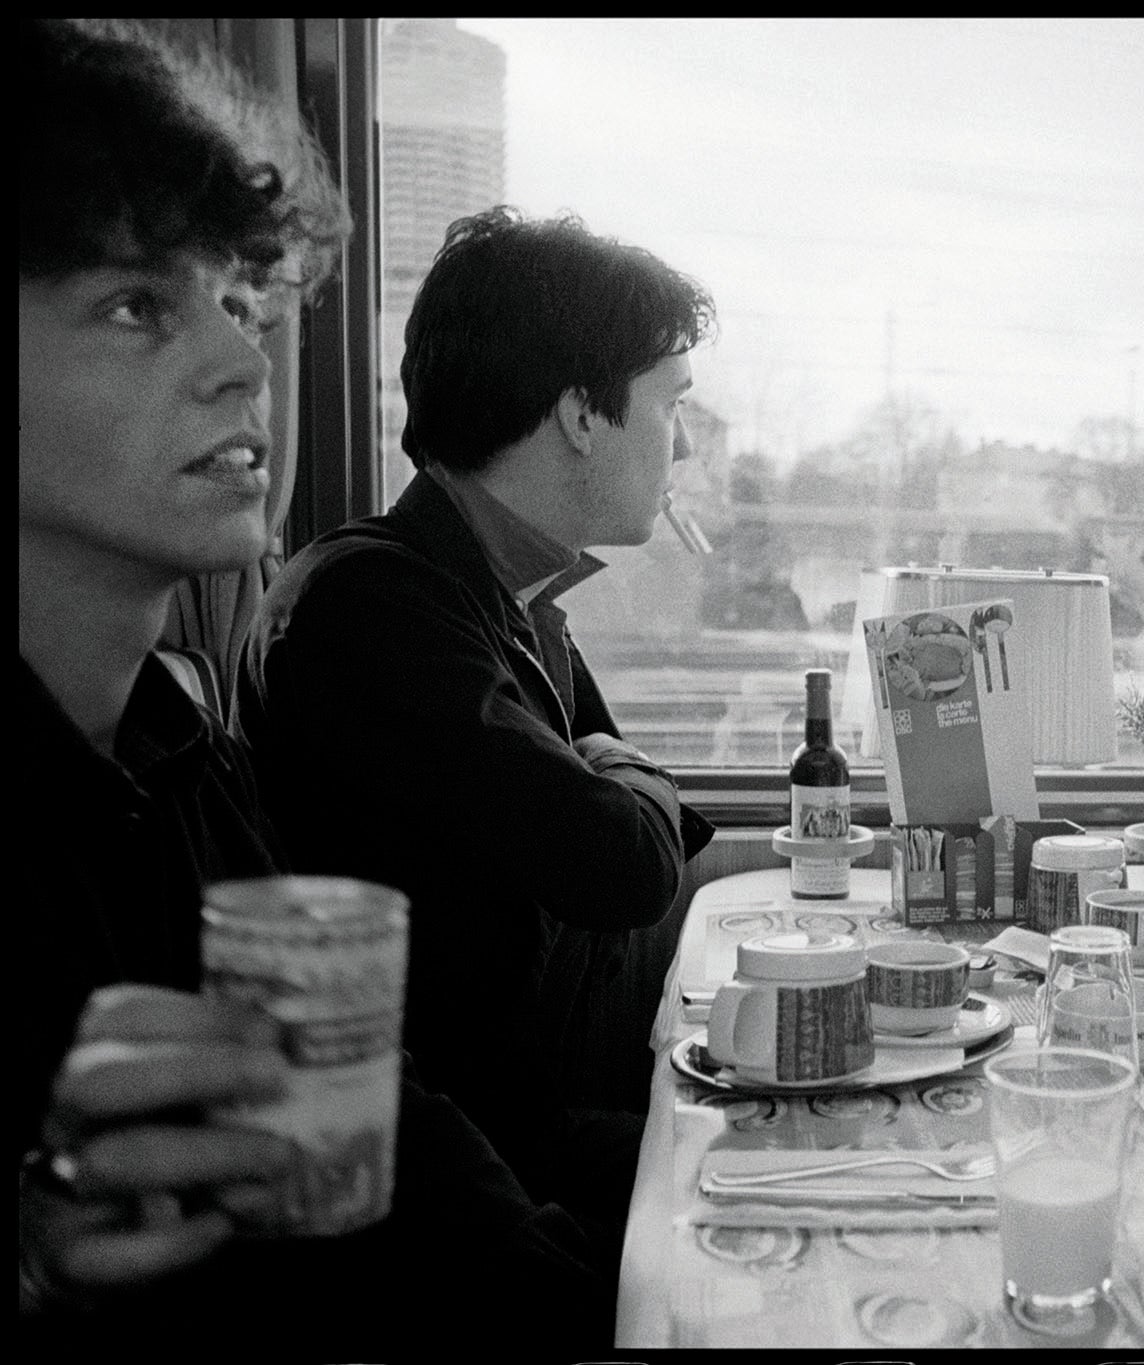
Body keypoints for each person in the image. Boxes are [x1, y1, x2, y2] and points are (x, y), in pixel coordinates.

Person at [19, 17, 605, 1349]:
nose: (245, 364)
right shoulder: (371, 604)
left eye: (243, 299)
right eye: (137, 305)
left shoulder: (178, 745)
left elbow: (363, 1101)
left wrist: (576, 1294)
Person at [233, 206, 717, 1249]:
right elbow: (624, 860)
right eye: (672, 403)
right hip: (453, 1170)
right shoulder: (374, 606)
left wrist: (619, 778)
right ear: (583, 414)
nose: (684, 442)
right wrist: (621, 778)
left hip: (513, 1120)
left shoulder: (508, 595)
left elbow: (652, 822)